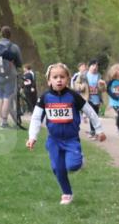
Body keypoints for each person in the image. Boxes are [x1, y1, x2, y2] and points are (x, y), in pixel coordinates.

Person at [26, 63, 105, 204]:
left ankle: (79, 159)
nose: (59, 80)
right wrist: (32, 137)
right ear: (49, 80)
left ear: (67, 79)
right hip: (54, 140)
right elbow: (36, 118)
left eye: (62, 77)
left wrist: (99, 130)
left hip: (71, 139)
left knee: (72, 166)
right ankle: (67, 193)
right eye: (55, 77)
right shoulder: (45, 98)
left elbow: (90, 112)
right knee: (57, 168)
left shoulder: (73, 96)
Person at [0, 26, 24, 129]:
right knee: (7, 99)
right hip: (10, 77)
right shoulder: (14, 47)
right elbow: (19, 63)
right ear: (10, 35)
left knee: (0, 98)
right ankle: (4, 122)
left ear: (1, 34)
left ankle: (1, 122)